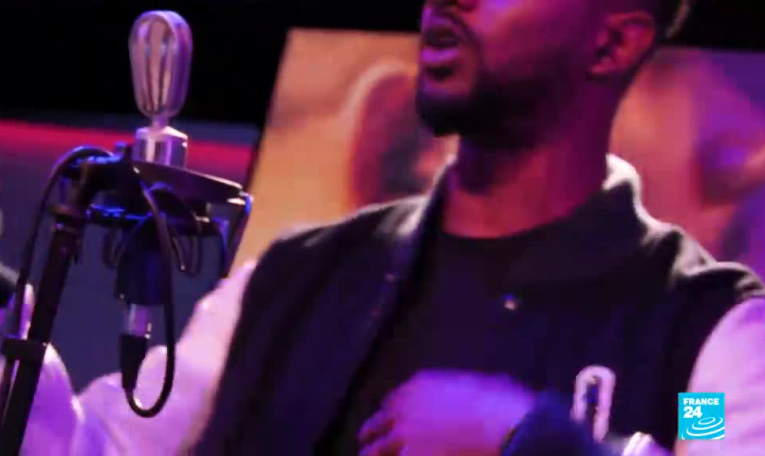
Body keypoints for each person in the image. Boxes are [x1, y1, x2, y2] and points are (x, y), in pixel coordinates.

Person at [192, 0, 765, 455]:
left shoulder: (704, 337)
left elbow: (715, 444)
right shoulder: (279, 287)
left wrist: (530, 439)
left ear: (612, 43)